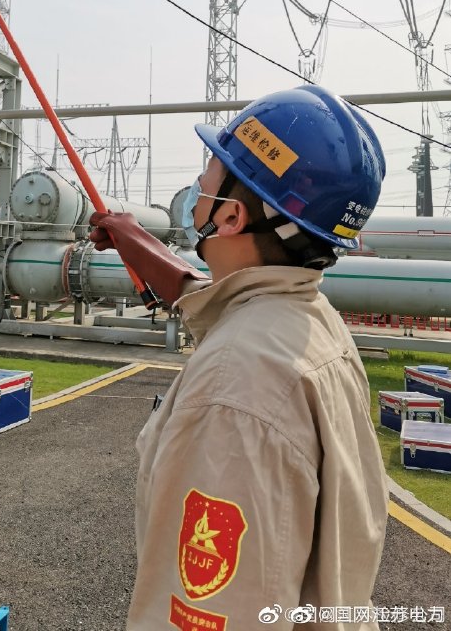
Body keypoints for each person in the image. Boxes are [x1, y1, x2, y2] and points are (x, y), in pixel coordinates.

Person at [90, 84, 389, 631]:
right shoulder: (311, 323)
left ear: (229, 216)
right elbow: (213, 299)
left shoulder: (235, 386)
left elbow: (206, 614)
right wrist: (135, 241)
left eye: (205, 182)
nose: (195, 194)